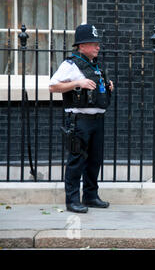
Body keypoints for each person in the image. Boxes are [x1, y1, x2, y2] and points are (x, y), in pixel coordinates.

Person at [49, 24, 113, 214]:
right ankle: (72, 200)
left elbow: (95, 86)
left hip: (97, 119)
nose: (97, 47)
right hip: (79, 120)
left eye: (97, 44)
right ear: (82, 45)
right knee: (76, 160)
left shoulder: (95, 65)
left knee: (95, 160)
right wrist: (78, 82)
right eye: (94, 44)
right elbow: (53, 86)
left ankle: (91, 196)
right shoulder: (70, 64)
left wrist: (107, 86)